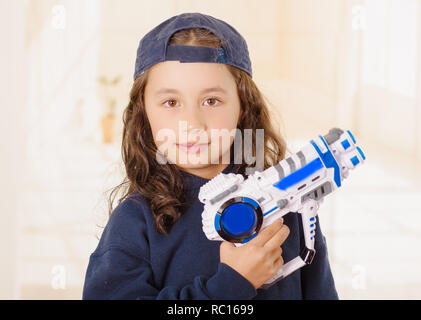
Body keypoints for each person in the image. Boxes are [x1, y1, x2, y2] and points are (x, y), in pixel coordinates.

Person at [82, 12, 338, 300]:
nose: (192, 123)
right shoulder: (135, 222)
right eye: (171, 102)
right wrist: (232, 284)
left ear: (243, 106)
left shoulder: (288, 204)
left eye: (211, 101)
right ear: (144, 114)